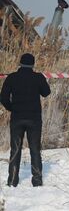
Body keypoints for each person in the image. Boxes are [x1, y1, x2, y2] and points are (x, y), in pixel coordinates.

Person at [1, 53, 51, 187]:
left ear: (20, 63)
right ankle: (37, 180)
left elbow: (3, 98)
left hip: (17, 118)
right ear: (33, 64)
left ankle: (12, 180)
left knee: (15, 149)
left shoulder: (12, 78)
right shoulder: (38, 77)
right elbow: (46, 93)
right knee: (35, 149)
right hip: (34, 119)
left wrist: (12, 108)